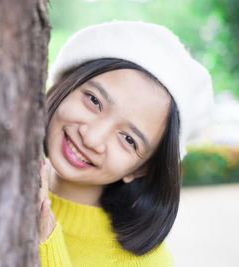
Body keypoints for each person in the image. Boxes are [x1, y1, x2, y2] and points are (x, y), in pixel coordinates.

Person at [38, 21, 214, 266]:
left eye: (129, 139)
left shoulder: (147, 263)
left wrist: (44, 239)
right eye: (94, 101)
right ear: (66, 84)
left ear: (141, 169)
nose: (92, 138)